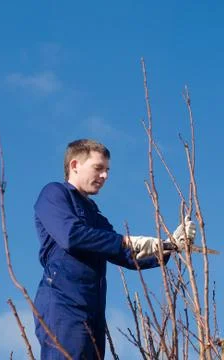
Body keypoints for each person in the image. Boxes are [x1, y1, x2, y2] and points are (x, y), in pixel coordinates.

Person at [33, 139, 196, 360]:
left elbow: (126, 256)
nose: (105, 176)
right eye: (98, 168)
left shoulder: (95, 215)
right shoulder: (54, 194)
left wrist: (169, 246)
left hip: (94, 310)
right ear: (74, 165)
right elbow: (71, 236)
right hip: (63, 305)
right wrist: (125, 241)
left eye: (107, 170)